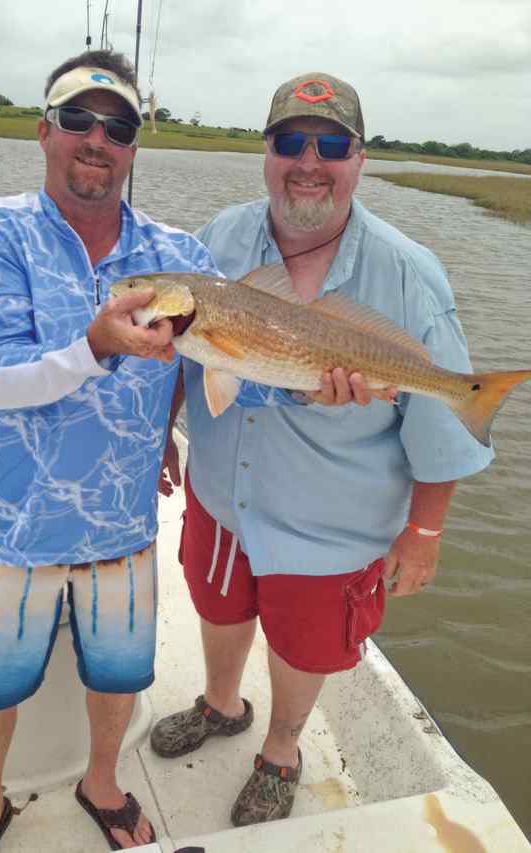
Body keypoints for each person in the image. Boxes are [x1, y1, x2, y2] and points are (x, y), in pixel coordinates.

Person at [151, 73, 494, 827]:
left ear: (359, 159)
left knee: (305, 642)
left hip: (328, 524)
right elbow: (186, 354)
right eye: (291, 142)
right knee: (217, 602)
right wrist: (161, 438)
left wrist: (424, 531)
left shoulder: (408, 271)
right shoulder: (219, 238)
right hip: (220, 493)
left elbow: (440, 426)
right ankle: (220, 703)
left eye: (331, 145)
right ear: (267, 153)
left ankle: (281, 749)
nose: (309, 161)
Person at [0, 49, 218, 851]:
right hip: (18, 524)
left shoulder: (181, 255)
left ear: (134, 147)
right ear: (44, 131)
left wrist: (311, 384)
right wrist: (94, 346)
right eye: (78, 119)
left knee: (119, 675)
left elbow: (209, 360)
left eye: (119, 126)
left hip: (124, 523)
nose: (98, 138)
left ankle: (102, 781)